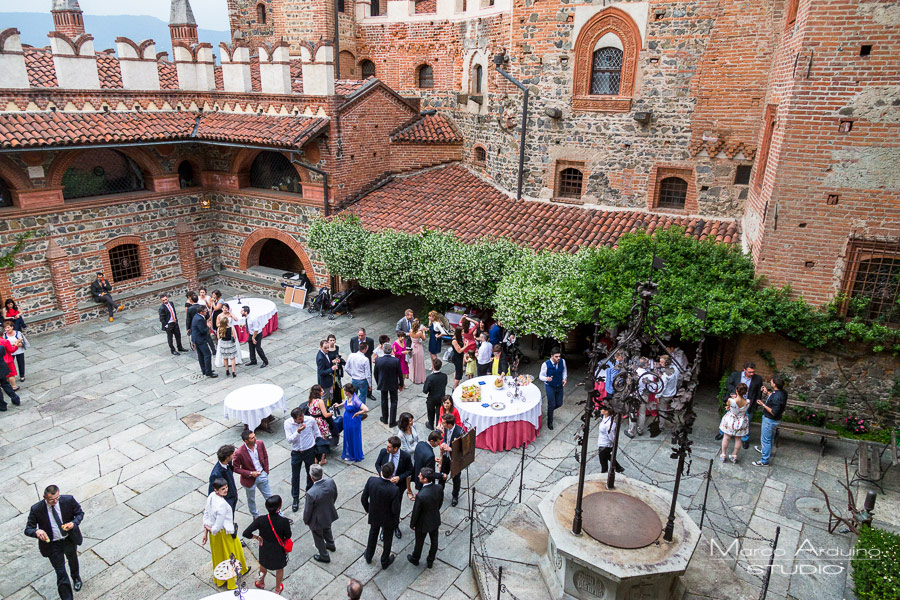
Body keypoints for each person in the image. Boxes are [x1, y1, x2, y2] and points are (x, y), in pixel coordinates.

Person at [24, 485, 84, 600]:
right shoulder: (36, 509)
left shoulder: (68, 500)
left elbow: (80, 513)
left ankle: (76, 577)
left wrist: (73, 523)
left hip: (68, 539)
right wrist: (37, 531)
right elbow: (28, 529)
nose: (55, 501)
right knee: (60, 572)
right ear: (45, 497)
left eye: (57, 498)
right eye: (52, 500)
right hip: (52, 545)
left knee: (72, 559)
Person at [202, 478, 249, 590]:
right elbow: (218, 524)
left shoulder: (211, 496)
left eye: (226, 487)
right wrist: (211, 530)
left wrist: (207, 531)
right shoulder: (222, 504)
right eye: (223, 489)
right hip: (224, 533)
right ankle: (233, 579)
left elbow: (206, 514)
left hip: (215, 535)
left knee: (219, 555)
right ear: (216, 490)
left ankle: (221, 579)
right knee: (231, 553)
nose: (226, 490)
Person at [243, 495, 291, 594]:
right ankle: (277, 588)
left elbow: (246, 533)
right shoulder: (284, 521)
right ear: (279, 507)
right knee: (279, 568)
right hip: (279, 549)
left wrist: (256, 537)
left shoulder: (261, 520)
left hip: (265, 547)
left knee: (263, 566)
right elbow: (288, 535)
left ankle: (261, 582)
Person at [361, 462, 402, 569]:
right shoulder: (394, 489)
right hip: (388, 519)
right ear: (392, 474)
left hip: (374, 515)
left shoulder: (371, 481)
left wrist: (369, 510)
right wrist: (395, 520)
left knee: (373, 534)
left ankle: (369, 556)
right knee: (388, 539)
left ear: (381, 471)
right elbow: (395, 509)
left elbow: (363, 498)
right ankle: (384, 561)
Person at [716, 362, 763, 449]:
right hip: (735, 401)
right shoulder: (735, 375)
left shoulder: (758, 379)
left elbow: (758, 392)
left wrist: (756, 402)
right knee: (728, 419)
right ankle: (722, 433)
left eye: (753, 372)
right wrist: (735, 392)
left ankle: (745, 439)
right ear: (744, 370)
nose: (752, 374)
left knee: (746, 422)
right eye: (750, 372)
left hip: (747, 403)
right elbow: (728, 384)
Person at [285, 406, 323, 511]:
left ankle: (309, 493)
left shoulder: (310, 420)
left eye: (302, 417)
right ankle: (295, 498)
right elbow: (289, 440)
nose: (301, 420)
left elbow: (317, 432)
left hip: (309, 450)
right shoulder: (288, 424)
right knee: (295, 476)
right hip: (296, 452)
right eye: (299, 419)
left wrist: (319, 445)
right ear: (294, 419)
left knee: (310, 473)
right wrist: (298, 431)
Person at [407, 467, 444, 568]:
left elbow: (416, 512)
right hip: (435, 519)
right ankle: (430, 560)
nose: (418, 476)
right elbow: (440, 503)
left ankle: (415, 558)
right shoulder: (439, 488)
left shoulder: (421, 495)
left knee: (419, 542)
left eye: (420, 475)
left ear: (425, 479)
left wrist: (412, 524)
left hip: (422, 523)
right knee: (434, 541)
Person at [232, 431, 272, 520]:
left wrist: (266, 471)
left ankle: (277, 514)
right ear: (246, 441)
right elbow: (235, 468)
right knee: (251, 499)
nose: (255, 438)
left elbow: (265, 457)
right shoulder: (239, 453)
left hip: (262, 475)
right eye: (252, 438)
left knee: (269, 497)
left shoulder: (260, 444)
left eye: (254, 436)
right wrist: (250, 473)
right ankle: (255, 516)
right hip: (249, 480)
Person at [303, 464, 339, 564]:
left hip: (317, 520)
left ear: (311, 477)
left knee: (318, 537)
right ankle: (331, 544)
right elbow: (335, 495)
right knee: (327, 529)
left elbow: (308, 510)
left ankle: (324, 556)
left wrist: (306, 520)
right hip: (328, 513)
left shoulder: (311, 493)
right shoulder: (330, 482)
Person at [375, 436, 414, 525]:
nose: (386, 448)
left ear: (396, 448)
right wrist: (380, 472)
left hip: (398, 486)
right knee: (383, 506)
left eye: (389, 447)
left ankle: (395, 525)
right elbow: (377, 464)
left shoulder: (405, 456)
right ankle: (383, 526)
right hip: (384, 484)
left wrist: (399, 477)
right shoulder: (383, 452)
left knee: (396, 506)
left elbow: (410, 470)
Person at [753, 375, 788, 467]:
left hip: (770, 420)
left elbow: (774, 412)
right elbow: (774, 398)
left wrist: (763, 405)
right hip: (775, 420)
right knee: (770, 437)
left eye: (771, 381)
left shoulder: (777, 396)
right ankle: (766, 451)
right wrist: (767, 393)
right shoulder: (782, 392)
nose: (770, 382)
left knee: (766, 440)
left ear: (775, 384)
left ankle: (764, 460)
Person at [719, 383, 750, 463]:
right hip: (741, 421)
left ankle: (723, 454)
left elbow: (728, 404)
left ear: (736, 391)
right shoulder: (748, 401)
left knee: (726, 437)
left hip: (731, 420)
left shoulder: (731, 400)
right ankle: (734, 455)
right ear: (745, 392)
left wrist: (730, 405)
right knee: (738, 438)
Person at [440, 413, 465, 506]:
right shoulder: (446, 429)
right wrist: (443, 444)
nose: (442, 425)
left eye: (443, 423)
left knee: (456, 478)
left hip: (455, 459)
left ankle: (455, 496)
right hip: (446, 457)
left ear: (449, 424)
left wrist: (450, 449)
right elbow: (446, 439)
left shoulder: (459, 432)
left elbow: (463, 448)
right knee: (442, 475)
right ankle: (440, 492)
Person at [539, 347, 567, 430]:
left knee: (559, 403)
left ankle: (549, 411)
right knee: (551, 404)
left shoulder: (562, 361)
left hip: (559, 386)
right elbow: (541, 376)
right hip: (550, 386)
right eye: (556, 356)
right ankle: (549, 421)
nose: (558, 358)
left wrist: (564, 378)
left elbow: (564, 371)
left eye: (559, 356)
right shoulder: (545, 364)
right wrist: (546, 378)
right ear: (551, 356)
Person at [374, 343, 402, 427]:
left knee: (384, 400)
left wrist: (378, 382)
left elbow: (375, 373)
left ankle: (385, 418)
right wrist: (401, 384)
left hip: (383, 383)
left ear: (383, 350)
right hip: (393, 383)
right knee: (394, 401)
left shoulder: (378, 360)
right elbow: (400, 374)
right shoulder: (396, 360)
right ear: (391, 351)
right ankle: (392, 421)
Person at [626, 357, 654, 438]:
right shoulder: (649, 375)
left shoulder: (633, 372)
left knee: (632, 413)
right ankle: (640, 430)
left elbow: (628, 384)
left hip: (634, 395)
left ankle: (631, 431)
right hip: (644, 396)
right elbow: (651, 387)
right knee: (642, 413)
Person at [208, 445, 239, 518]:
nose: (234, 454)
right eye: (232, 454)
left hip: (232, 495)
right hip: (227, 500)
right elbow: (212, 492)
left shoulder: (228, 463)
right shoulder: (216, 474)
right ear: (227, 457)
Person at [342, 382, 368, 462]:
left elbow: (366, 409)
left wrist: (358, 413)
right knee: (348, 435)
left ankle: (354, 454)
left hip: (353, 421)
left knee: (354, 436)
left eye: (344, 390)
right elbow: (346, 402)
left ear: (347, 392)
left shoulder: (355, 400)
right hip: (347, 419)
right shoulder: (349, 397)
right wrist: (339, 405)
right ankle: (350, 452)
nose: (343, 392)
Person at [308, 386, 333, 464]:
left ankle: (315, 458)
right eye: (322, 391)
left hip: (312, 421)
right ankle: (322, 459)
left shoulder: (310, 400)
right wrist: (331, 413)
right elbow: (325, 415)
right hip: (320, 422)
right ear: (318, 392)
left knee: (314, 439)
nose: (323, 392)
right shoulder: (320, 401)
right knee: (323, 440)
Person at [191, 305, 217, 378]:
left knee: (201, 355)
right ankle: (208, 371)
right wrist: (208, 326)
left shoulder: (196, 316)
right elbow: (202, 331)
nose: (206, 312)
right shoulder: (200, 319)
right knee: (207, 355)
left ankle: (204, 370)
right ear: (201, 312)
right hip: (200, 340)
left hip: (196, 339)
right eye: (205, 311)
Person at [350, 328, 376, 400]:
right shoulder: (353, 340)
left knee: (368, 374)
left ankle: (369, 393)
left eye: (362, 335)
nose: (360, 337)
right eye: (359, 335)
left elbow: (371, 351)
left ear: (365, 334)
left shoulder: (370, 341)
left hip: (366, 360)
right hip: (357, 362)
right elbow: (352, 349)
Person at [422, 359, 448, 430]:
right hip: (441, 397)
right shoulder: (444, 376)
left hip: (432, 397)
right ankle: (438, 425)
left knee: (430, 411)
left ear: (433, 366)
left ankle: (430, 424)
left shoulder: (430, 378)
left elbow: (425, 390)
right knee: (439, 412)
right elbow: (445, 384)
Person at [597, 407, 624, 474]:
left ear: (607, 412)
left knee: (603, 462)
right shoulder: (604, 417)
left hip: (605, 445)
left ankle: (604, 474)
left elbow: (611, 436)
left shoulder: (610, 424)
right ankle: (618, 467)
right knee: (608, 456)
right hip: (602, 442)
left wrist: (614, 443)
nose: (601, 410)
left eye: (603, 409)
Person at [215, 313, 240, 378]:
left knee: (225, 358)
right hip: (230, 344)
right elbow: (234, 336)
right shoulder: (231, 328)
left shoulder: (219, 329)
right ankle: (233, 371)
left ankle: (227, 370)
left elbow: (218, 338)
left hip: (223, 343)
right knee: (232, 358)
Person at [0, 339, 21, 410]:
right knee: (6, 384)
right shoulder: (1, 347)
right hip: (2, 369)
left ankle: (2, 405)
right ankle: (15, 399)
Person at [2, 320, 24, 389]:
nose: (7, 329)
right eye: (5, 328)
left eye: (8, 327)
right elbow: (9, 347)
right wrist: (16, 343)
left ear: (12, 327)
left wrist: (15, 344)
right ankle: (13, 386)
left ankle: (22, 375)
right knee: (10, 371)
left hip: (18, 351)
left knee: (21, 363)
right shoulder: (4, 338)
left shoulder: (18, 333)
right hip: (9, 355)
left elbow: (22, 344)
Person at [326, 334, 346, 405]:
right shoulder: (327, 349)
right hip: (331, 369)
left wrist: (338, 360)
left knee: (338, 384)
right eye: (330, 340)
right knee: (332, 386)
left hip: (337, 369)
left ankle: (338, 400)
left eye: (333, 340)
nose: (332, 342)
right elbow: (326, 360)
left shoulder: (337, 347)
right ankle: (332, 401)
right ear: (328, 341)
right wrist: (332, 362)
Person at [316, 339, 337, 405]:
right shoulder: (320, 358)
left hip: (328, 379)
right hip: (325, 382)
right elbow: (321, 372)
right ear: (321, 347)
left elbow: (327, 362)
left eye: (328, 347)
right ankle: (324, 412)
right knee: (324, 398)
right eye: (325, 348)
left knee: (328, 395)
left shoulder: (325, 353)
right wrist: (331, 369)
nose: (327, 349)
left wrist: (332, 362)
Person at [409, 319, 427, 384]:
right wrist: (424, 331)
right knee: (419, 363)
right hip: (418, 348)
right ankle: (419, 378)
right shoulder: (419, 333)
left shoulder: (410, 331)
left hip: (413, 346)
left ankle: (413, 377)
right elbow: (424, 339)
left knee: (413, 362)